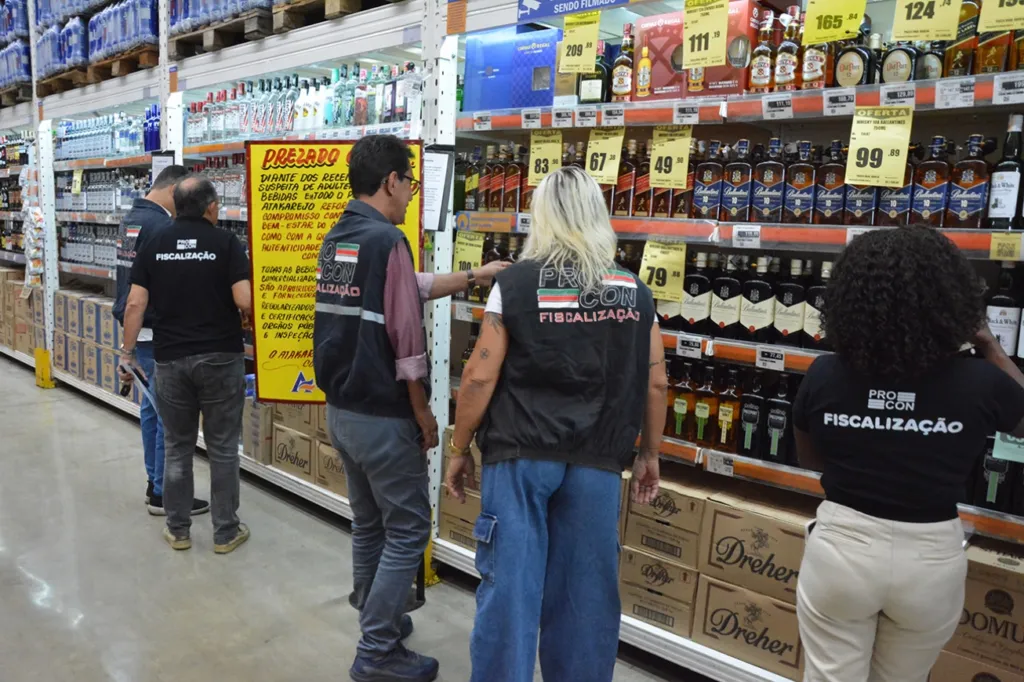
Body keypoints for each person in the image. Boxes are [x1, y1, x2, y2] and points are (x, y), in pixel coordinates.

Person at [445, 166, 666, 682]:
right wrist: (650, 454)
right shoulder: (634, 291)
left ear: (541, 216)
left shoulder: (515, 283)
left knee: (510, 590)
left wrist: (459, 448)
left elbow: (479, 377)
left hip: (520, 458)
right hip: (597, 461)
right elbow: (656, 383)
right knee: (585, 597)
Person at [313, 134, 507, 682]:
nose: (410, 194)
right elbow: (406, 342)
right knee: (408, 530)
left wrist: (474, 276)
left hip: (343, 411)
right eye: (409, 183)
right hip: (383, 414)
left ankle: (380, 618)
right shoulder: (388, 239)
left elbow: (404, 288)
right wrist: (422, 412)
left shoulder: (341, 236)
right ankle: (377, 650)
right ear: (390, 181)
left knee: (369, 525)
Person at [792, 226, 1024, 682]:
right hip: (932, 558)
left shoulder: (824, 374)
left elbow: (811, 460)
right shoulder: (981, 383)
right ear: (952, 299)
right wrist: (990, 346)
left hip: (843, 548)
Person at [119, 175, 253, 555]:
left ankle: (178, 530)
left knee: (178, 446)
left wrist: (127, 354)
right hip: (220, 357)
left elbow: (135, 304)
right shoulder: (226, 243)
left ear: (176, 206)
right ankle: (225, 532)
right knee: (223, 448)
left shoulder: (154, 242)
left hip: (171, 359)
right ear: (211, 207)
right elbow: (244, 300)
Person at [112, 164, 209, 516]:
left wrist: (127, 347)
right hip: (156, 330)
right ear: (173, 190)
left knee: (152, 410)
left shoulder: (132, 219)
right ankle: (166, 494)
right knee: (171, 416)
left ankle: (155, 483)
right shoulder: (162, 227)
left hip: (138, 329)